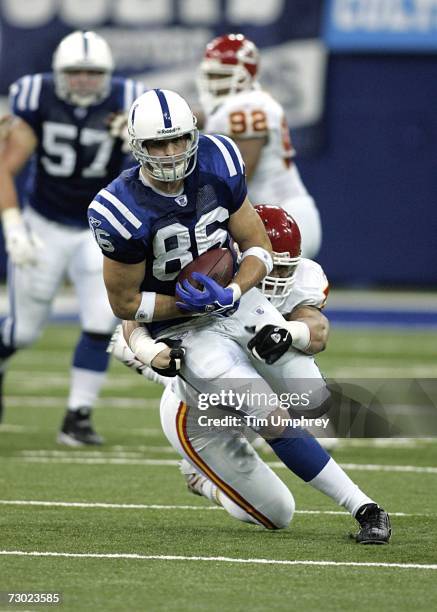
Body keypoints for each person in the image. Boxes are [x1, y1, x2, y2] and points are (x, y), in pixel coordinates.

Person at [89, 88, 391, 544]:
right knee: (277, 502)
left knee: (312, 396)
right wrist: (186, 308)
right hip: (186, 329)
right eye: (157, 144)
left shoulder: (219, 160)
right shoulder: (120, 210)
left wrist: (232, 290)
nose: (171, 153)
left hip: (234, 301)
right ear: (137, 146)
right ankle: (365, 508)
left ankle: (170, 376)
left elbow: (257, 246)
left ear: (195, 133)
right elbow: (126, 306)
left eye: (178, 140)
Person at [110, 205, 390, 543]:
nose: (276, 279)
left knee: (313, 400)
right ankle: (202, 479)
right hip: (199, 413)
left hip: (252, 372)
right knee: (278, 513)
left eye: (284, 267)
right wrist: (149, 351)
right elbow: (133, 314)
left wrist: (290, 331)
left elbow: (317, 332)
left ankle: (365, 507)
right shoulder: (205, 264)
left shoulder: (304, 277)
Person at [0, 30, 145, 443]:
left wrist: (134, 141)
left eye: (92, 72)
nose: (83, 79)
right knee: (23, 331)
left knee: (102, 320)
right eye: (75, 72)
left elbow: (185, 132)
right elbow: (4, 167)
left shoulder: (129, 98)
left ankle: (77, 418)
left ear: (108, 74)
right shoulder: (36, 96)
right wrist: (13, 228)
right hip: (43, 222)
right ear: (58, 73)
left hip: (97, 227)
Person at [198, 33, 322, 259]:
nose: (213, 82)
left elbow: (243, 173)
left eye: (220, 75)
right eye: (211, 75)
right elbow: (206, 118)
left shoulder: (247, 106)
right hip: (278, 215)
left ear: (245, 76)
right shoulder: (242, 105)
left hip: (282, 217)